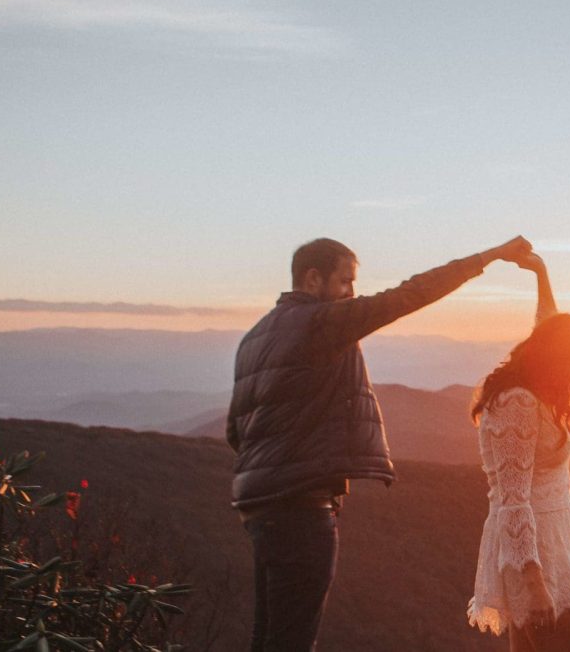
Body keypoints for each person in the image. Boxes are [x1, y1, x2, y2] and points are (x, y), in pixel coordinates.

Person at [228, 235, 532, 652]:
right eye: (345, 282)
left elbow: (235, 431)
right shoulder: (322, 323)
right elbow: (408, 295)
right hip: (302, 509)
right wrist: (490, 256)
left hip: (260, 512)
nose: (352, 294)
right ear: (313, 279)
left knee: (268, 640)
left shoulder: (253, 339)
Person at [467, 251, 570, 652]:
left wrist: (541, 274)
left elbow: (548, 324)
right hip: (536, 554)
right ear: (554, 358)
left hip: (554, 544)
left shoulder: (536, 390)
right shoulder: (517, 404)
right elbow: (512, 499)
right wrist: (533, 581)